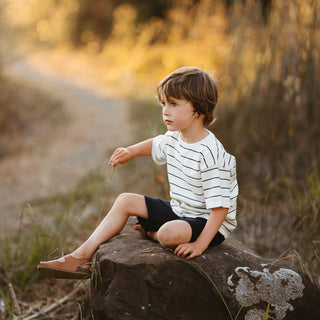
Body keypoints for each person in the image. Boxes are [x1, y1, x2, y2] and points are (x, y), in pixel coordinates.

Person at [37, 66, 238, 279]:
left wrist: (200, 244)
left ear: (199, 111)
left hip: (207, 222)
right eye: (164, 104)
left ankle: (154, 232)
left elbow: (220, 208)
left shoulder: (211, 154)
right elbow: (155, 144)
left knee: (168, 234)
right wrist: (130, 151)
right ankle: (80, 257)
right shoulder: (176, 137)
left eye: (174, 104)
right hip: (180, 211)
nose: (165, 111)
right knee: (125, 200)